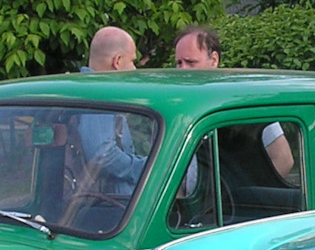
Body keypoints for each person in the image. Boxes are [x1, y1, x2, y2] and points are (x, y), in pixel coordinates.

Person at [173, 23, 297, 182]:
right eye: (179, 63)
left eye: (191, 62)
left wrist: (250, 192)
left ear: (214, 60)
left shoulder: (242, 100)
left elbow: (283, 159)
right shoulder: (178, 105)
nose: (183, 70)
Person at [72, 26, 143, 195]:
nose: (134, 69)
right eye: (132, 61)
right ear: (117, 61)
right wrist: (146, 167)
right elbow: (102, 154)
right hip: (107, 204)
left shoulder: (82, 88)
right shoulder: (98, 93)